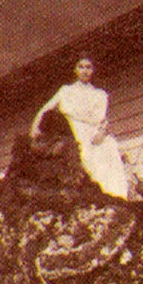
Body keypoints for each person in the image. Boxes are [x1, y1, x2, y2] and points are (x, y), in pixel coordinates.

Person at [30, 55, 128, 199]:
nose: (85, 71)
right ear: (75, 70)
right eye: (81, 67)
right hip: (74, 131)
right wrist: (34, 129)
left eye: (88, 67)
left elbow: (103, 121)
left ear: (93, 70)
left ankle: (112, 198)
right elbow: (45, 110)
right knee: (81, 157)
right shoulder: (66, 91)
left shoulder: (99, 94)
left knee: (108, 152)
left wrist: (101, 133)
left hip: (96, 135)